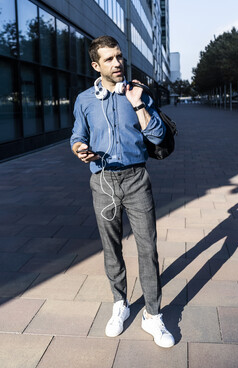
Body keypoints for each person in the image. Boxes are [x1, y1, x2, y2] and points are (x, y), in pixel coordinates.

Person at [70, 35, 174, 348]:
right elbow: (77, 135)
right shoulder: (85, 100)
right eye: (109, 59)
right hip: (102, 182)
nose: (117, 64)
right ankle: (121, 304)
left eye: (119, 57)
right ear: (95, 65)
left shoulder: (137, 92)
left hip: (136, 179)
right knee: (111, 247)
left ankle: (152, 315)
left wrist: (138, 102)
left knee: (147, 248)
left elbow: (156, 136)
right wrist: (80, 148)